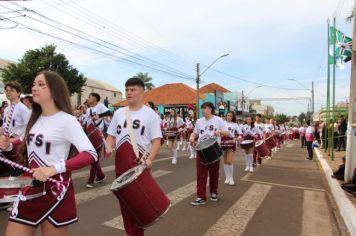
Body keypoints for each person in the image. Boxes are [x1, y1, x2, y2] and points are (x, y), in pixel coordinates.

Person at [0, 71, 97, 236]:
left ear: (54, 89)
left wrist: (53, 168)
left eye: (40, 84)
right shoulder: (34, 119)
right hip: (30, 188)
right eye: (34, 84)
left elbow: (90, 154)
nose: (34, 88)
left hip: (56, 190)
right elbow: (23, 152)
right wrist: (8, 146)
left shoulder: (67, 120)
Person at [105, 77, 162, 236]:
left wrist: (150, 159)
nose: (129, 93)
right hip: (121, 164)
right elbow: (111, 136)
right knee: (125, 204)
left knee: (138, 205)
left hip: (140, 165)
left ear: (142, 92)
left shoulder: (150, 115)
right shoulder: (118, 113)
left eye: (133, 89)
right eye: (127, 90)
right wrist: (108, 147)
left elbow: (156, 140)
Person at [189, 102, 229, 206]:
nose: (202, 110)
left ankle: (214, 192)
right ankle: (201, 196)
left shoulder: (218, 120)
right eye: (202, 108)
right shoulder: (199, 121)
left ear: (210, 109)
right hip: (201, 149)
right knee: (201, 174)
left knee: (214, 173)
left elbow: (227, 132)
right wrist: (192, 137)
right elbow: (195, 132)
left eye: (205, 108)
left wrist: (220, 131)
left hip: (214, 148)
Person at [84, 92, 111, 188]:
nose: (88, 98)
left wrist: (98, 116)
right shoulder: (88, 110)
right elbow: (86, 122)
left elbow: (109, 112)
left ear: (95, 98)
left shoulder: (100, 106)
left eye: (89, 97)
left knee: (94, 157)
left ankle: (91, 180)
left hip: (98, 135)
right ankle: (101, 176)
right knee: (92, 157)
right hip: (90, 135)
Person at [222, 111, 242, 186]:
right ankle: (227, 177)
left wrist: (239, 138)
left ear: (233, 117)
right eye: (228, 115)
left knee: (229, 161)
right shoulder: (222, 123)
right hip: (223, 143)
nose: (229, 117)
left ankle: (231, 178)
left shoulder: (235, 124)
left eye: (231, 116)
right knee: (225, 161)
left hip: (232, 143)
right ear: (226, 116)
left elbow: (240, 134)